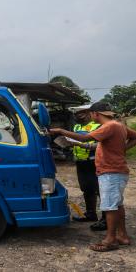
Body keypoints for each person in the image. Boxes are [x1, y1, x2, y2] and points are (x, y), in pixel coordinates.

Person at [50, 102, 136, 252]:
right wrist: (122, 150)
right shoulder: (118, 125)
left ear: (95, 113)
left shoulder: (109, 126)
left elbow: (85, 138)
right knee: (117, 204)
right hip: (116, 171)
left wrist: (60, 131)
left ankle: (110, 240)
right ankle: (122, 236)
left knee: (109, 206)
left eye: (90, 114)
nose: (90, 117)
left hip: (110, 172)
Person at [69, 106, 106, 231]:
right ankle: (91, 214)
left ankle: (105, 219)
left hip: (94, 162)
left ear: (89, 113)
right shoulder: (76, 127)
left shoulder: (98, 126)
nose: (79, 116)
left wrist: (81, 144)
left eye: (82, 113)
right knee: (86, 188)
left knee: (100, 190)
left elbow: (102, 144)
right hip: (81, 162)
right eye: (77, 113)